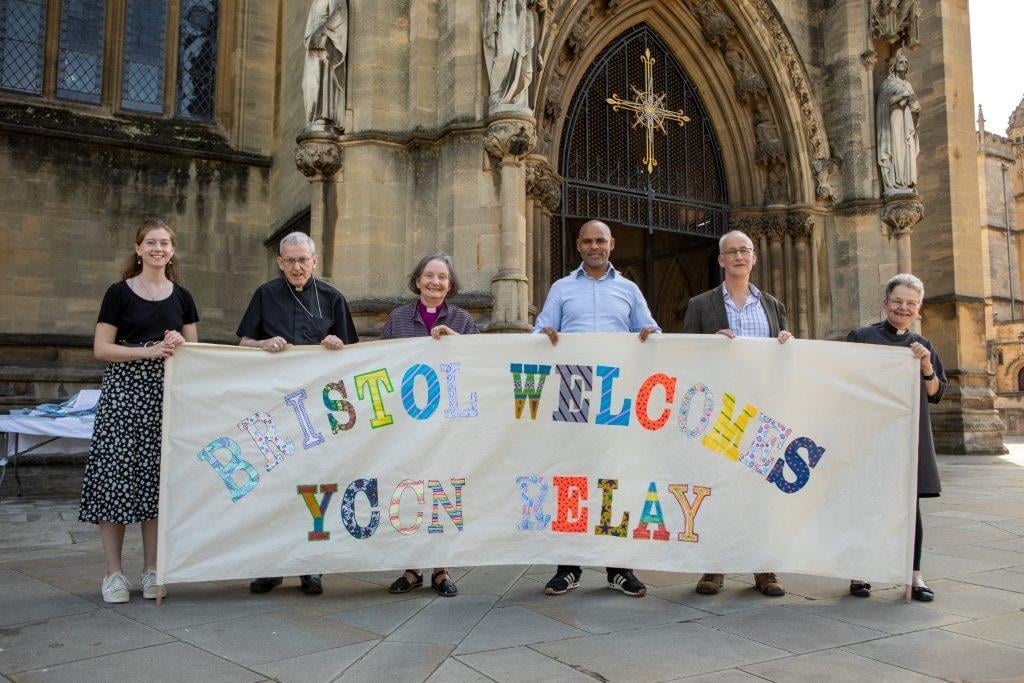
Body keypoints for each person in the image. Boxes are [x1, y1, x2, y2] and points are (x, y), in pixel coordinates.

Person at [533, 220, 659, 598]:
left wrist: (652, 337)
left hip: (614, 400)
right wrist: (542, 336)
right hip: (571, 398)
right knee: (570, 478)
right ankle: (568, 566)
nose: (594, 247)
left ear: (612, 244)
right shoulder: (561, 288)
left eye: (600, 240)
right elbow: (539, 331)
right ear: (578, 246)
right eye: (587, 241)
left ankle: (618, 567)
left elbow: (651, 332)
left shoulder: (628, 289)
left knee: (613, 479)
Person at [79, 218, 199, 603]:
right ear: (138, 248)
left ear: (172, 249)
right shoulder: (118, 292)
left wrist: (179, 341)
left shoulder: (183, 297)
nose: (158, 248)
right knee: (114, 480)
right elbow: (102, 348)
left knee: (155, 483)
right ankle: (113, 574)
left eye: (164, 243)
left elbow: (194, 352)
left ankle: (152, 570)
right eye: (151, 242)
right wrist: (146, 352)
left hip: (164, 396)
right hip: (123, 395)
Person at [237, 231, 358, 595]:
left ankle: (311, 567)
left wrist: (338, 344)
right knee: (273, 486)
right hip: (274, 406)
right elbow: (243, 343)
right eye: (289, 260)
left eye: (302, 259)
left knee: (315, 485)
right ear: (279, 263)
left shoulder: (333, 298)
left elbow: (353, 353)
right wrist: (263, 343)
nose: (296, 266)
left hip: (318, 413)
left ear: (314, 261)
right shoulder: (264, 295)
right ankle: (271, 566)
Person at [682, 229, 791, 598]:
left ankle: (764, 568)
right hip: (720, 411)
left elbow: (784, 361)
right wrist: (709, 347)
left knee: (761, 491)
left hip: (762, 411)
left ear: (754, 258)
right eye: (732, 252)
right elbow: (686, 357)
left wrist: (788, 346)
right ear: (721, 260)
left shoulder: (773, 306)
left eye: (745, 250)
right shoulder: (701, 304)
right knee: (718, 487)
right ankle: (715, 567)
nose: (739, 257)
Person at [382, 252, 479, 598]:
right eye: (429, 276)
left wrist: (456, 339)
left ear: (450, 285)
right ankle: (412, 568)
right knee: (411, 488)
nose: (435, 282)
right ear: (418, 280)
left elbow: (482, 362)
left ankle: (441, 568)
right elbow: (381, 365)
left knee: (443, 491)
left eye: (442, 277)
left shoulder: (464, 320)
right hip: (410, 423)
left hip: (448, 424)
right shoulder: (398, 319)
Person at [846, 273, 945, 601]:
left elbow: (935, 393)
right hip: (871, 437)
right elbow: (843, 379)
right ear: (886, 303)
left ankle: (914, 574)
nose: (904, 308)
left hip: (909, 439)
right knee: (867, 505)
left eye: (911, 304)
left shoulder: (924, 346)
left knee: (909, 507)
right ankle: (860, 571)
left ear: (919, 309)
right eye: (898, 301)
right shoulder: (862, 337)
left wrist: (926, 365)